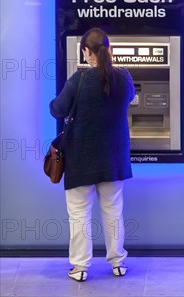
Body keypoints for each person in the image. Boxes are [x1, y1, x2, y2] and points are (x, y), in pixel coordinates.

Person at [50, 27, 135, 282]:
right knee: (113, 211)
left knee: (79, 213)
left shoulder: (78, 79)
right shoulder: (124, 77)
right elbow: (128, 99)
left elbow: (58, 109)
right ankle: (118, 263)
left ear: (86, 52)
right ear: (109, 50)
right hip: (114, 158)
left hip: (81, 158)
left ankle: (80, 267)